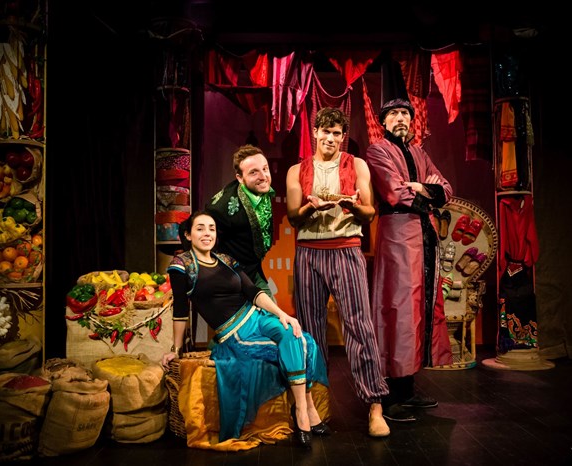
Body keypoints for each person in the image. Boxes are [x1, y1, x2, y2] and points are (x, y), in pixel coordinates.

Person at [160, 211, 329, 447]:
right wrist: (176, 349)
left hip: (258, 317)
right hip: (235, 332)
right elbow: (180, 310)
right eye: (200, 228)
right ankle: (307, 413)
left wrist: (282, 314)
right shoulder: (182, 266)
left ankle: (302, 408)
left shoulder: (225, 260)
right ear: (188, 235)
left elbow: (253, 292)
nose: (207, 233)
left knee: (296, 336)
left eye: (211, 228)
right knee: (289, 348)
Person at [285, 107, 391, 438]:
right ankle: (315, 405)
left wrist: (351, 205)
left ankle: (375, 405)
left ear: (343, 137)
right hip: (309, 253)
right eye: (325, 131)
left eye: (336, 133)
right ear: (315, 132)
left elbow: (369, 212)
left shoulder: (356, 165)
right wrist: (310, 207)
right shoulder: (297, 170)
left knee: (359, 326)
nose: (330, 138)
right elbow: (293, 216)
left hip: (346, 249)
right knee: (310, 332)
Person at [365, 98, 453, 422]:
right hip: (398, 236)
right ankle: (390, 395)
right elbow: (394, 192)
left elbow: (447, 189)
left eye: (405, 113)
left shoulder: (420, 153)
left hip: (424, 236)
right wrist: (426, 191)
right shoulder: (378, 151)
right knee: (399, 308)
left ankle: (408, 388)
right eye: (394, 114)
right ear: (384, 121)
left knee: (418, 308)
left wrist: (420, 187)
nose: (401, 118)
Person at [205, 144, 275, 298]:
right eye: (254, 172)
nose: (263, 176)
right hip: (229, 279)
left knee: (273, 313)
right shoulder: (222, 207)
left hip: (253, 272)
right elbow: (190, 230)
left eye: (265, 169)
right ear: (240, 178)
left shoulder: (261, 191)